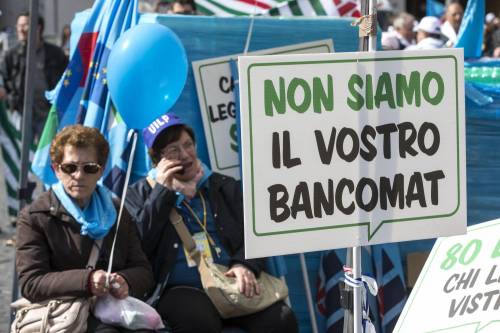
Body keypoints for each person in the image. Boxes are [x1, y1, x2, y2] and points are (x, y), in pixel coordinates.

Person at [125, 113, 298, 333]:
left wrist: (244, 264)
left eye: (188, 145)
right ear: (158, 160)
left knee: (281, 320)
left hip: (231, 282)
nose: (185, 155)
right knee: (199, 321)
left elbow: (257, 232)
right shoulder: (138, 194)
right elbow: (139, 246)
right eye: (173, 151)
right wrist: (163, 192)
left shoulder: (223, 186)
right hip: (181, 289)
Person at [15, 125, 155, 332]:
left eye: (89, 168)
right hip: (63, 312)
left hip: (114, 309)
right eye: (70, 168)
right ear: (56, 169)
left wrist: (126, 280)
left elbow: (143, 270)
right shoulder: (35, 217)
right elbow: (31, 282)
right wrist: (87, 280)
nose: (79, 176)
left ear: (101, 170)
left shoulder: (118, 211)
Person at [0, 12, 67, 141]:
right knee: (22, 150)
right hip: (21, 112)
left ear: (38, 27)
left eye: (25, 25)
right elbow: (3, 77)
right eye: (19, 25)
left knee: (49, 150)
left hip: (48, 113)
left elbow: (66, 78)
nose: (21, 29)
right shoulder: (11, 55)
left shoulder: (55, 53)